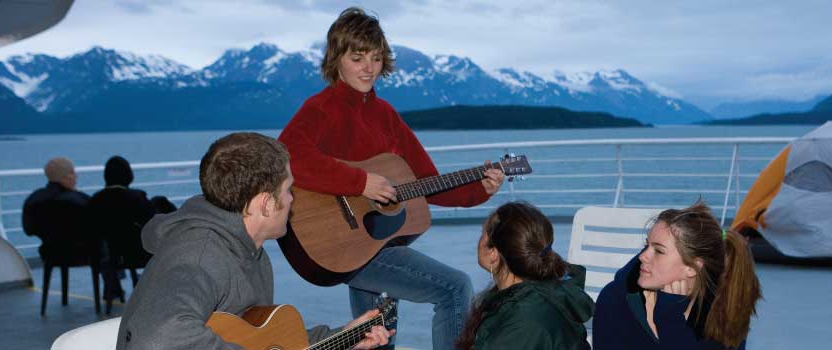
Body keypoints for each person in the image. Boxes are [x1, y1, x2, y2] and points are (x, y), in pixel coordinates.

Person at [277, 7, 505, 350]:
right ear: (337, 58)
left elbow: (427, 181)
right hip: (334, 244)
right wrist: (358, 183)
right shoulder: (320, 108)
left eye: (376, 58)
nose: (369, 68)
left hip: (368, 242)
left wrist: (479, 190)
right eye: (358, 58)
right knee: (454, 288)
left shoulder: (385, 116)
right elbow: (286, 156)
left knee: (375, 335)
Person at [116, 132, 392, 349]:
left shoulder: (250, 252)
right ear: (266, 204)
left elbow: (258, 338)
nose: (292, 199)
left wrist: (344, 337)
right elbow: (156, 340)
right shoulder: (199, 256)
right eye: (288, 190)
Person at [593, 202, 763, 349]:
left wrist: (670, 318)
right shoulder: (615, 298)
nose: (642, 256)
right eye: (647, 245)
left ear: (693, 267)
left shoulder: (726, 305)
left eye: (658, 251)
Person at [455, 202, 593, 350]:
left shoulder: (522, 323)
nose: (480, 238)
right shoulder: (545, 292)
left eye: (483, 232)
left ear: (494, 253)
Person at [88, 155, 156, 308]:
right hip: (137, 254)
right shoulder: (137, 198)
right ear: (129, 175)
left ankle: (112, 288)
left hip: (110, 257)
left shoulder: (95, 200)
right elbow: (152, 224)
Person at [22, 157, 95, 265]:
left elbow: (28, 230)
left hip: (49, 253)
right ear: (66, 177)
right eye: (72, 172)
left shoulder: (34, 198)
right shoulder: (78, 199)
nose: (76, 176)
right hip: (82, 254)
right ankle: (114, 280)